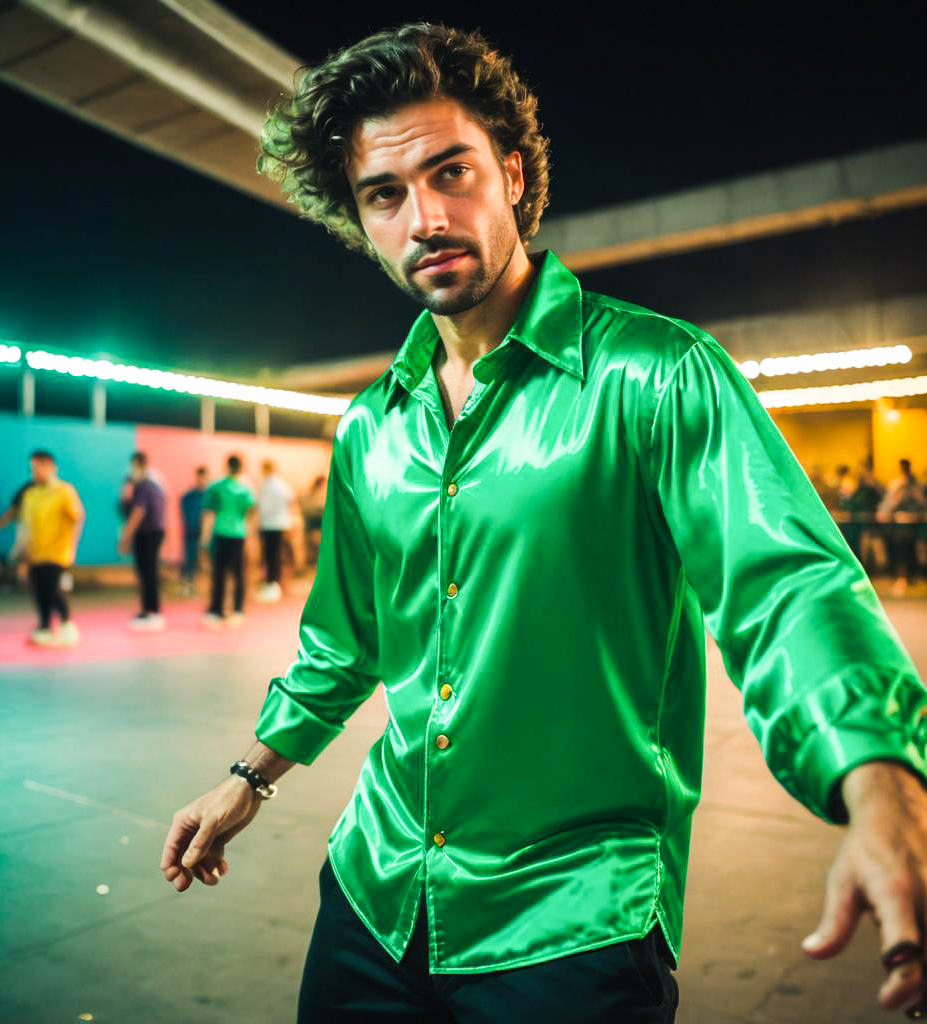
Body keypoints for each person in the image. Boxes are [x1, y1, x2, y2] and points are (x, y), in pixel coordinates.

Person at [159, 23, 927, 1023]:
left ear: (512, 175)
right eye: (383, 195)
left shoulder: (654, 375)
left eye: (451, 173)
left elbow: (786, 588)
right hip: (376, 894)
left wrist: (883, 790)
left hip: (573, 924)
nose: (423, 217)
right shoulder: (369, 429)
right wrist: (246, 780)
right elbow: (343, 641)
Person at [19, 450, 83, 646]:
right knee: (38, 591)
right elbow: (25, 526)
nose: (34, 473)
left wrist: (71, 546)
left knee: (52, 590)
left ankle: (66, 625)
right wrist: (22, 554)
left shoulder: (65, 491)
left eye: (37, 468)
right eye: (32, 469)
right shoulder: (30, 494)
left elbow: (77, 518)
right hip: (35, 553)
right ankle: (44, 627)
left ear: (50, 467)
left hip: (57, 553)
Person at [199, 454, 255, 628]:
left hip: (221, 534)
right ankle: (238, 610)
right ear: (240, 468)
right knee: (238, 574)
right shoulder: (245, 490)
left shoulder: (216, 487)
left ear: (227, 466)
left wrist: (204, 538)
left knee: (219, 574)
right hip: (238, 535)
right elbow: (249, 513)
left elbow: (208, 513)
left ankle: (216, 611)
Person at [118, 451, 167, 631]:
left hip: (149, 533)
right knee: (146, 573)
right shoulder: (149, 484)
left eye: (132, 465)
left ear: (138, 464)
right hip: (150, 533)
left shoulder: (145, 485)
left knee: (148, 572)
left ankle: (152, 611)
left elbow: (138, 512)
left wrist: (125, 536)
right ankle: (148, 609)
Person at [878, 458, 927, 597]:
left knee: (911, 550)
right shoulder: (896, 484)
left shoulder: (916, 484)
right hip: (898, 525)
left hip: (914, 524)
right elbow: (889, 503)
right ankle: (902, 578)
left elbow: (922, 503)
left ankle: (910, 577)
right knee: (900, 549)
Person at [255, 459, 296, 603]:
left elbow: (263, 507)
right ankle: (276, 583)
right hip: (281, 524)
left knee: (270, 556)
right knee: (277, 555)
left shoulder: (266, 485)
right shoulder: (282, 484)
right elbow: (291, 498)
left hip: (269, 525)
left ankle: (272, 583)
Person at [179, 466, 209, 596]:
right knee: (190, 557)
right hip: (192, 530)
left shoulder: (209, 495)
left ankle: (205, 585)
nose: (203, 480)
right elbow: (184, 511)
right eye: (201, 477)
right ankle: (188, 583)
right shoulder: (189, 496)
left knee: (206, 559)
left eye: (205, 478)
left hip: (206, 532)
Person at [301, 474, 327, 568]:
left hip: (313, 521)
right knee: (316, 543)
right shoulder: (315, 494)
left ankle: (315, 563)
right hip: (314, 521)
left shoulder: (311, 493)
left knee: (314, 544)